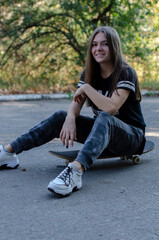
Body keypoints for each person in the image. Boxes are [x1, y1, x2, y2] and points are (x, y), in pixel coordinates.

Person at [0, 26, 146, 196]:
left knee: (105, 117)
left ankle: (75, 172)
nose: (98, 49)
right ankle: (8, 152)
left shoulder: (126, 73)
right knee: (60, 117)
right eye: (94, 44)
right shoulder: (89, 73)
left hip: (132, 137)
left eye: (104, 44)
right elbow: (75, 105)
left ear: (114, 46)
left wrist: (86, 88)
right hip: (104, 132)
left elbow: (111, 108)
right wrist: (70, 118)